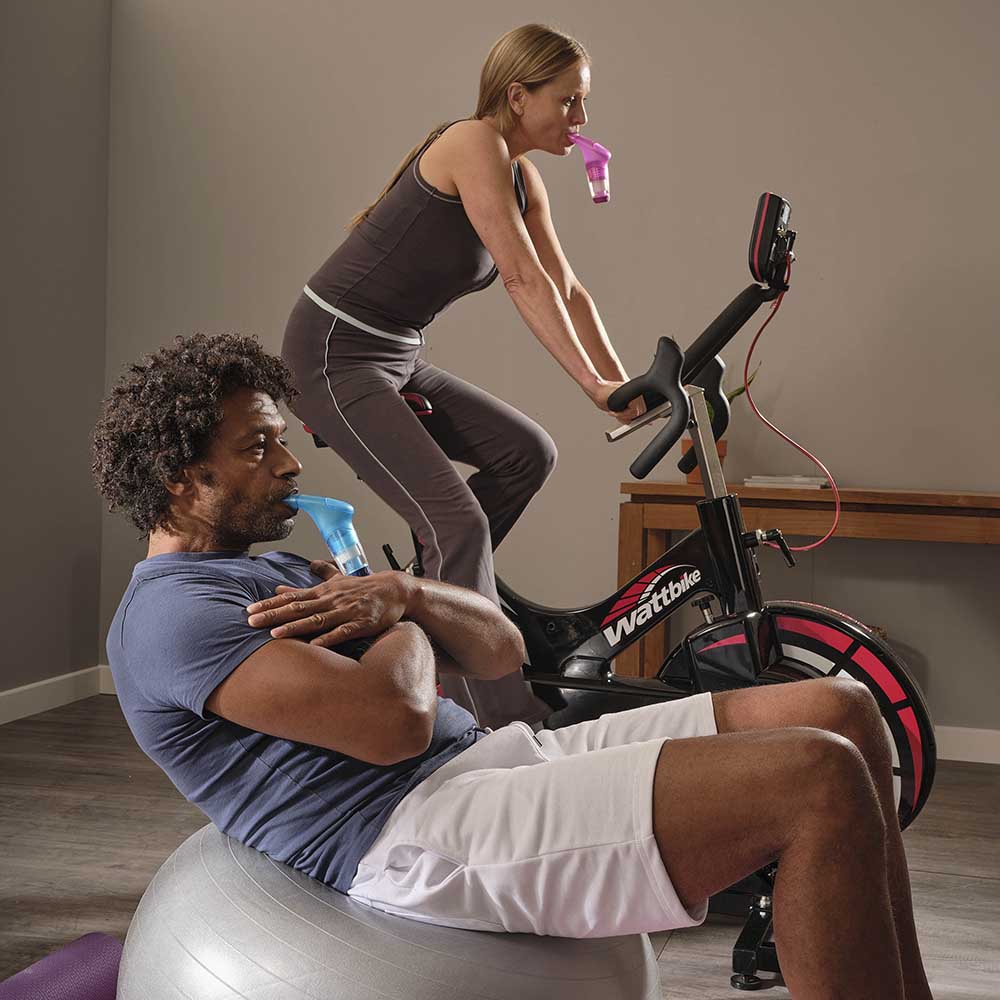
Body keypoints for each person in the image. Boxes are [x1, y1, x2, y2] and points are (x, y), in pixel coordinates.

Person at [95, 335, 932, 1000]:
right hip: (408, 832)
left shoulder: (263, 569)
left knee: (842, 709)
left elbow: (500, 648)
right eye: (259, 448)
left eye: (282, 443)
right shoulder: (172, 616)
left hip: (488, 764)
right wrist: (393, 610)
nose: (291, 465)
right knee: (815, 777)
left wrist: (404, 591)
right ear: (179, 480)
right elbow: (392, 725)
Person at [281, 24, 645, 730]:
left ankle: (432, 609)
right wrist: (591, 389)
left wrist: (623, 385)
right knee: (456, 520)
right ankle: (501, 720)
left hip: (395, 353)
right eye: (568, 102)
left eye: (583, 104)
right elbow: (521, 278)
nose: (581, 120)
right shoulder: (471, 144)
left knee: (525, 454)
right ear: (518, 95)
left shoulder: (521, 172)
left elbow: (567, 287)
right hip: (333, 352)